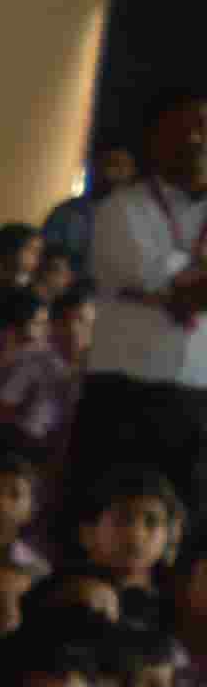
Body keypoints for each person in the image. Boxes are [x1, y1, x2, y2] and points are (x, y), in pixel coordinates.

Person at [71, 89, 206, 519]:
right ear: (154, 140)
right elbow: (158, 280)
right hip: (126, 391)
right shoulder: (121, 209)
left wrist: (180, 276)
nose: (196, 139)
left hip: (199, 393)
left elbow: (175, 284)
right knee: (109, 514)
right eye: (182, 129)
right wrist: (185, 279)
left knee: (188, 524)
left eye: (203, 127)